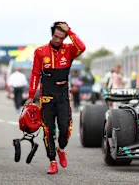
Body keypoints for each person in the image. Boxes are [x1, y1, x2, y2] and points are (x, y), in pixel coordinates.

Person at [25, 21, 86, 174]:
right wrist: (31, 95)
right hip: (46, 96)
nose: (58, 40)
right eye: (55, 36)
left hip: (63, 95)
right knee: (48, 130)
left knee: (65, 129)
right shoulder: (40, 52)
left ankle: (61, 149)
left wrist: (70, 31)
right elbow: (35, 74)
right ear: (51, 35)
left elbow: (82, 47)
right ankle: (52, 161)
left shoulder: (70, 50)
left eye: (61, 37)